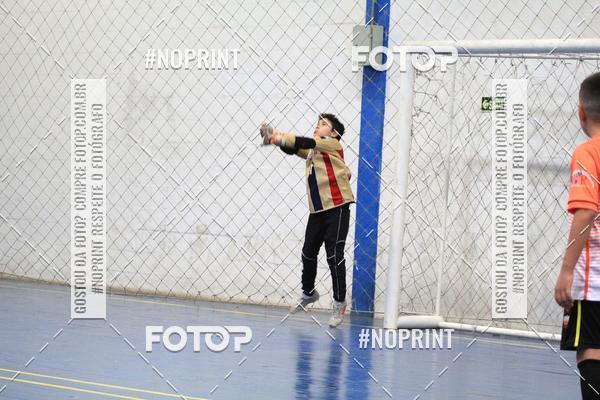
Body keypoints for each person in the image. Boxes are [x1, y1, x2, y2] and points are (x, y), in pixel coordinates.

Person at [260, 113, 355, 327]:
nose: (317, 126)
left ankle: (339, 302)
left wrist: (276, 134)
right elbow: (295, 148)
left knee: (334, 255)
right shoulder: (314, 151)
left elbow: (303, 141)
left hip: (337, 207)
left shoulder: (331, 144)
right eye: (317, 124)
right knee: (308, 252)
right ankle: (309, 292)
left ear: (333, 133)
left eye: (323, 124)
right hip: (318, 210)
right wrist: (276, 141)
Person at [556, 71, 600, 399]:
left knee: (592, 347)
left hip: (595, 280)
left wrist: (567, 269)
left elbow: (586, 211)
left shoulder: (588, 152)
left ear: (581, 112)